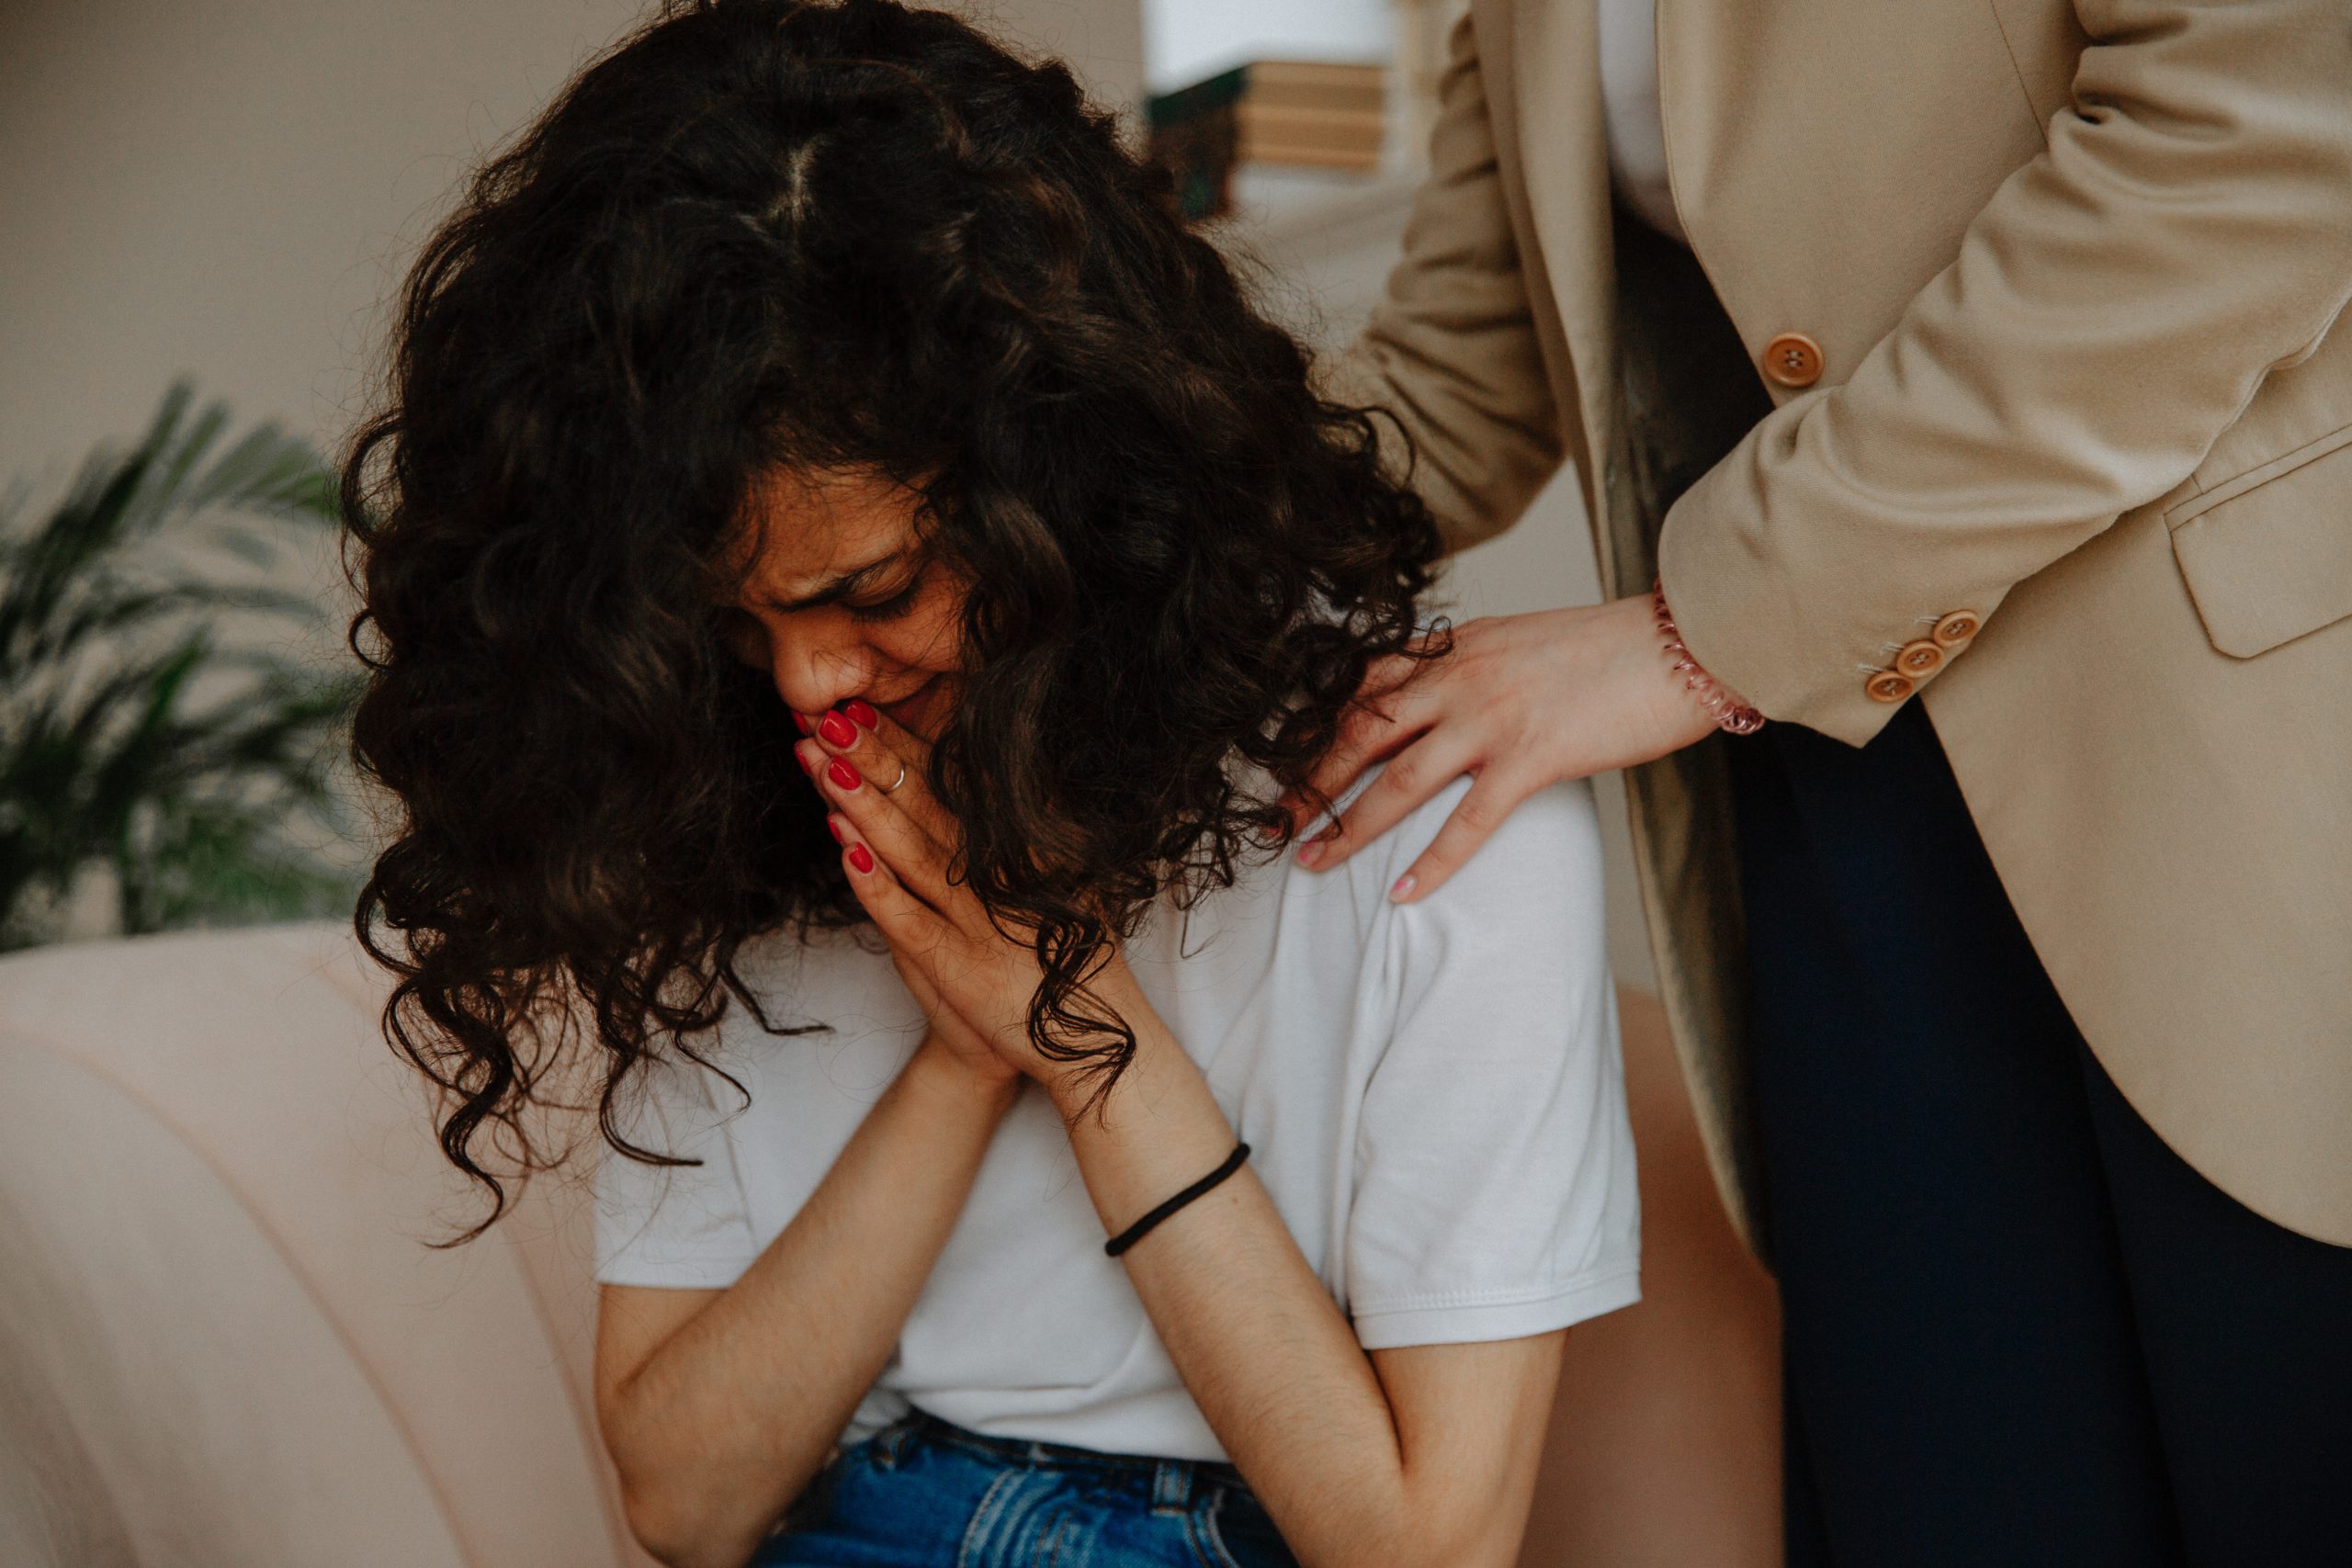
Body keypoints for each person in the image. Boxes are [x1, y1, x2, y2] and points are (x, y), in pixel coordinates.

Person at [340, 4, 1639, 1565]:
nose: (813, 683)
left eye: (875, 588)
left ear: (1067, 483)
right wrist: (963, 1055)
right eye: (739, 624)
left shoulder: (1433, 787)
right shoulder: (724, 803)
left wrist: (1076, 1023)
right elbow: (685, 1502)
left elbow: (1423, 1545)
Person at [1298, 0, 2352, 1562]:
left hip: (2225, 774)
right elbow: (1463, 369)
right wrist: (1023, 535)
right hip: (1833, 811)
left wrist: (1692, 632)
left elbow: (2266, 127)